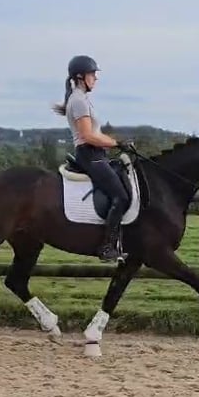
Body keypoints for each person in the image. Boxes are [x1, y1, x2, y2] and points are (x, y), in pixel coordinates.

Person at [53, 55, 133, 262]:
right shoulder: (78, 101)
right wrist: (116, 143)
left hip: (96, 154)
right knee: (121, 197)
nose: (95, 79)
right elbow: (89, 136)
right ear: (81, 77)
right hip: (90, 155)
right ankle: (107, 247)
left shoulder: (81, 99)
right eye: (92, 74)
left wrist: (116, 143)